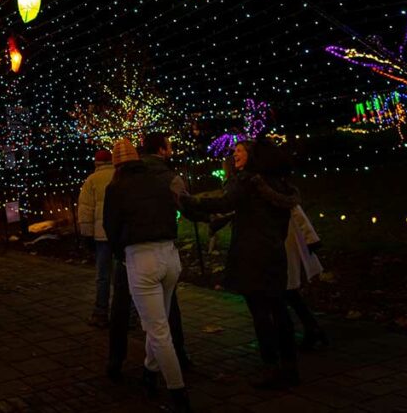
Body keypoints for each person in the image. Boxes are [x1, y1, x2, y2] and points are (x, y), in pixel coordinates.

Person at [179, 140, 301, 389]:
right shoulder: (278, 183)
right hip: (274, 252)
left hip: (252, 255)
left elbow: (225, 202)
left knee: (260, 312)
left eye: (240, 151)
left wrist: (191, 201)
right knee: (278, 308)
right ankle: (290, 366)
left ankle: (271, 366)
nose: (235, 154)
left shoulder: (248, 181)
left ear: (253, 155)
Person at [103, 139, 191, 412]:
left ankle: (178, 393)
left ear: (117, 165)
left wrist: (122, 254)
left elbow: (111, 227)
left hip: (141, 258)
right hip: (169, 256)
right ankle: (150, 373)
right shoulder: (157, 181)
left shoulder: (116, 188)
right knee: (159, 321)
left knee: (157, 330)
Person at [140, 133, 192, 370]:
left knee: (149, 316)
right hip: (165, 249)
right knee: (167, 313)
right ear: (161, 150)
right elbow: (188, 205)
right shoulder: (169, 178)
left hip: (135, 253)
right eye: (169, 146)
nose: (171, 149)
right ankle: (173, 368)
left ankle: (145, 367)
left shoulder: (129, 177)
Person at [77, 148, 115, 327]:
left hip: (101, 236)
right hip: (119, 233)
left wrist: (87, 235)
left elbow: (86, 210)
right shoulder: (119, 175)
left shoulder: (91, 180)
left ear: (96, 163)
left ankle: (100, 312)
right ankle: (131, 314)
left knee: (103, 275)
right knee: (125, 275)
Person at [286, 205, 328, 349]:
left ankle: (310, 329)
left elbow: (294, 209)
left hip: (281, 239)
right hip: (276, 238)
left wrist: (310, 237)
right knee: (286, 290)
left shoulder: (277, 189)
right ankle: (312, 328)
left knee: (286, 289)